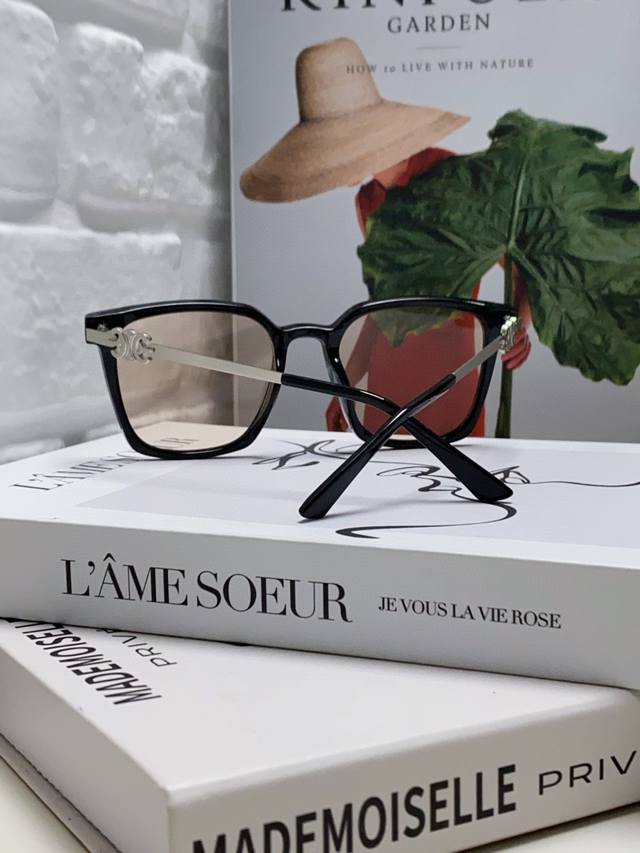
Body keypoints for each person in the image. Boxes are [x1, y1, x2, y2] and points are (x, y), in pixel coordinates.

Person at [240, 37, 531, 438]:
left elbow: (520, 266)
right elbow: (383, 308)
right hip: (384, 384)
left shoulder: (457, 181)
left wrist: (516, 328)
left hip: (452, 376)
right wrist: (348, 385)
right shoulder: (367, 200)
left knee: (451, 472)